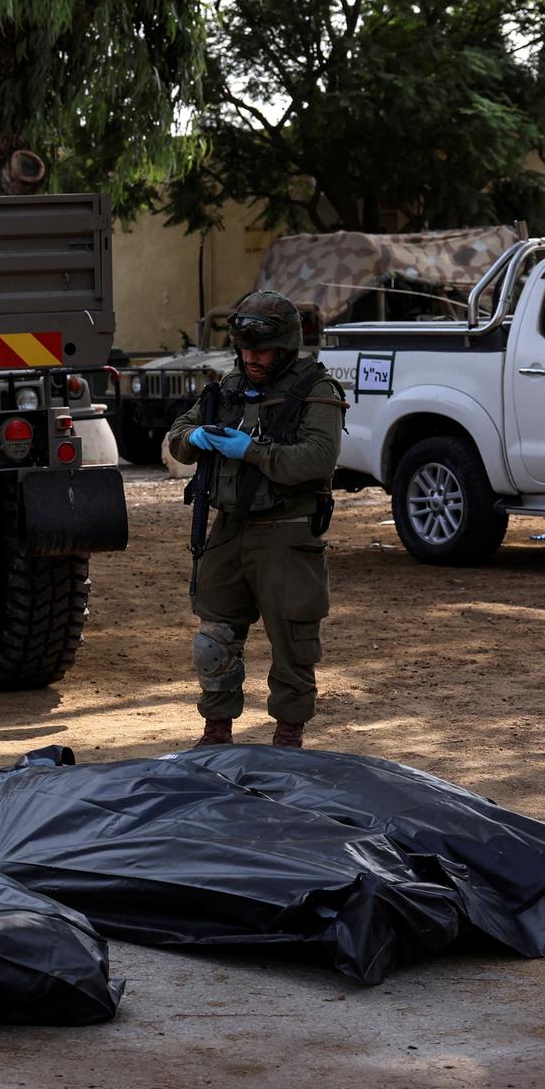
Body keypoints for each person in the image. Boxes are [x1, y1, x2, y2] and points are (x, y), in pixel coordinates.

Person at [164, 290, 347, 748]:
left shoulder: (315, 390)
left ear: (285, 346)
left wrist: (252, 451)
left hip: (287, 532)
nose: (252, 358)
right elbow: (178, 436)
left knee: (292, 643)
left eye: (261, 350)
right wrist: (199, 436)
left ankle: (288, 737)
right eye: (244, 350)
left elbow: (318, 459)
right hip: (229, 528)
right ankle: (216, 732)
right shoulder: (226, 388)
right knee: (214, 636)